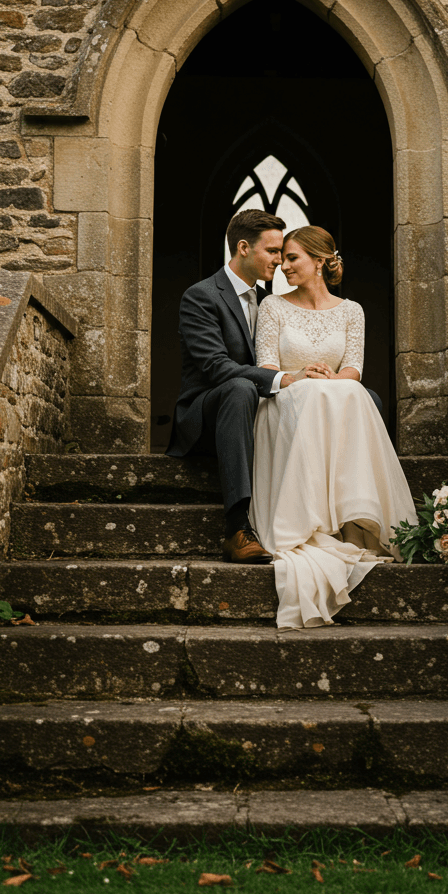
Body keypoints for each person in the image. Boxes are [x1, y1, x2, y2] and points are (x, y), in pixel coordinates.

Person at [250, 225, 418, 630]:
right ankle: (308, 520)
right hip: (287, 396)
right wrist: (301, 373)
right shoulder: (273, 306)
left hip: (334, 393)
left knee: (350, 393)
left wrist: (331, 379)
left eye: (293, 258)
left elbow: (354, 369)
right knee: (317, 394)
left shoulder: (351, 310)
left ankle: (354, 514)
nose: (283, 266)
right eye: (283, 258)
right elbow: (266, 365)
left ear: (320, 261)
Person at [167, 209, 304, 563]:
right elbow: (216, 367)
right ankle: (237, 528)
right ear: (243, 247)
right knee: (240, 387)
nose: (279, 259)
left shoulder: (272, 302)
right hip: (208, 411)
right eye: (272, 251)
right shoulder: (201, 296)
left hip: (261, 407)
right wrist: (283, 380)